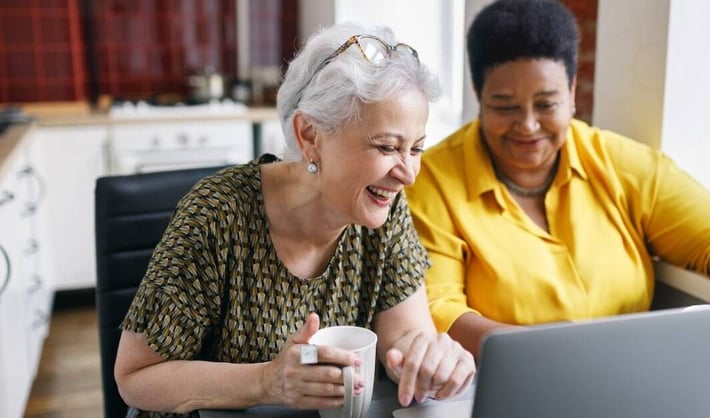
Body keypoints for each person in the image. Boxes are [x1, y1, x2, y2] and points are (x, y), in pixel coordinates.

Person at [406, 0, 710, 397]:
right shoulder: (432, 181)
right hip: (503, 392)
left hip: (634, 389)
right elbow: (439, 311)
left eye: (547, 104)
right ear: (478, 95)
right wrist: (557, 357)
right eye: (504, 106)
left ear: (573, 90)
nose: (527, 125)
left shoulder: (618, 162)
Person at [114, 22, 475, 418]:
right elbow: (135, 378)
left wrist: (428, 358)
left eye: (417, 148)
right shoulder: (215, 214)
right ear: (309, 136)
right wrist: (267, 381)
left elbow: (404, 335)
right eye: (387, 147)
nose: (407, 173)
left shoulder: (385, 210)